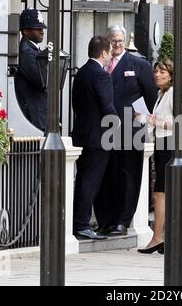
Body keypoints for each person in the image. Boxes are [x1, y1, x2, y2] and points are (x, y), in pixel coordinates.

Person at [94, 25, 158, 237]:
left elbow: (150, 97)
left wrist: (141, 119)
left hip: (132, 129)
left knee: (128, 175)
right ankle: (105, 220)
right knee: (106, 175)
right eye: (113, 41)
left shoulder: (138, 64)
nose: (117, 44)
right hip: (106, 129)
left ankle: (123, 220)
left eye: (120, 41)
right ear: (108, 42)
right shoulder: (101, 65)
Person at [136, 59, 182, 254]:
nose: (157, 75)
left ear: (171, 75)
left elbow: (181, 123)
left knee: (161, 193)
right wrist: (145, 119)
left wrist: (154, 120)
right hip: (163, 143)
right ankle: (163, 238)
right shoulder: (162, 93)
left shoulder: (174, 92)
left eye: (163, 72)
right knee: (163, 193)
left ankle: (157, 238)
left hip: (170, 145)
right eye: (156, 71)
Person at [71, 36, 118, 240]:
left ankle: (81, 222)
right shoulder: (101, 76)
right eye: (109, 52)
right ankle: (82, 224)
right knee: (90, 182)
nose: (111, 56)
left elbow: (75, 105)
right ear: (103, 53)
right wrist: (118, 122)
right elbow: (107, 107)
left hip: (81, 134)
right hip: (98, 137)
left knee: (83, 178)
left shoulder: (81, 73)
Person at [14, 8, 47, 132]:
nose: (42, 32)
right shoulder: (27, 52)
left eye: (42, 28)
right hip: (34, 114)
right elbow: (41, 80)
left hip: (38, 112)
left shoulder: (32, 50)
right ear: (26, 31)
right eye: (37, 28)